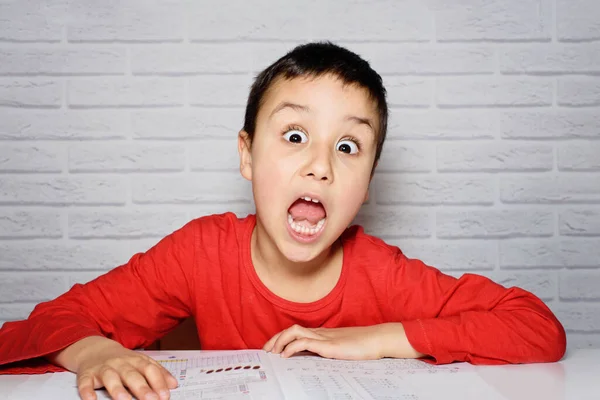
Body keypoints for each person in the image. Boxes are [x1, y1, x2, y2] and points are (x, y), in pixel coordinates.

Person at [0, 42, 566, 400]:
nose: (320, 165)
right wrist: (93, 352)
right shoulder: (199, 253)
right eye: (295, 137)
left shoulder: (383, 272)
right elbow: (47, 323)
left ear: (367, 183)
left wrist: (380, 339)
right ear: (247, 155)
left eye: (348, 146)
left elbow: (536, 326)